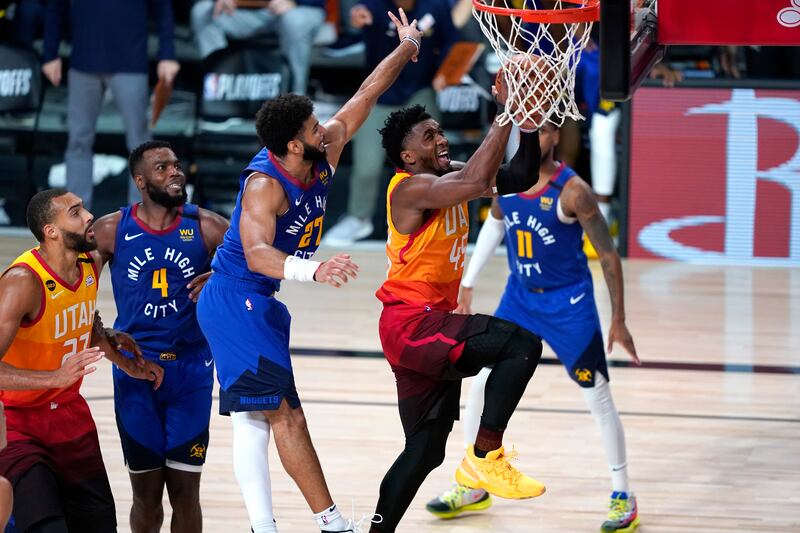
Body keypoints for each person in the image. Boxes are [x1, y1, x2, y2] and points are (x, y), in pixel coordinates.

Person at [196, 9, 424, 533]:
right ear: (294, 144)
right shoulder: (265, 185)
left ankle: (263, 526)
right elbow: (256, 254)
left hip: (255, 299)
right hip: (237, 297)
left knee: (256, 419)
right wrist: (313, 270)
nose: (326, 127)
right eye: (313, 126)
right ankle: (333, 523)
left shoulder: (324, 150)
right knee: (286, 415)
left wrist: (406, 47)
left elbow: (366, 93)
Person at [425, 121, 642, 533]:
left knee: (596, 393)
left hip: (567, 303)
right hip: (520, 298)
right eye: (526, 130)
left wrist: (619, 318)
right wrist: (468, 282)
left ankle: (622, 493)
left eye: (541, 131)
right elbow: (496, 223)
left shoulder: (573, 190)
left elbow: (609, 256)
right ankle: (476, 481)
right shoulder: (508, 182)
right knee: (481, 382)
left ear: (556, 137)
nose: (533, 138)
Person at [370, 95, 550, 532]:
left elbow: (522, 176)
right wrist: (506, 113)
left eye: (439, 130)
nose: (441, 138)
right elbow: (475, 181)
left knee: (426, 449)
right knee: (520, 345)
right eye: (428, 136)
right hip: (414, 323)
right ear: (408, 156)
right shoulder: (410, 189)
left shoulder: (448, 174)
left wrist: (526, 126)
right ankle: (486, 454)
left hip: (421, 327)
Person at [0, 188, 164, 533]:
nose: (89, 216)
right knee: (47, 527)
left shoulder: (89, 263)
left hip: (70, 416)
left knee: (99, 525)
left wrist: (121, 357)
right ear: (51, 231)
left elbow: (83, 318)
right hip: (18, 424)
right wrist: (53, 378)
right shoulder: (22, 282)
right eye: (75, 212)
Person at [91, 140, 229, 533]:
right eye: (162, 167)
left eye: (177, 165)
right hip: (136, 372)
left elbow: (260, 265)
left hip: (191, 372)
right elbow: (74, 297)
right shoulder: (111, 228)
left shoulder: (206, 225)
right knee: (146, 499)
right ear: (140, 180)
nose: (175, 172)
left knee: (187, 495)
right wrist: (112, 346)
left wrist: (222, 276)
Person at [322, 0, 459, 246]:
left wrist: (446, 74)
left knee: (433, 158)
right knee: (367, 167)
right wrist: (356, 17)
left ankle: (438, 215)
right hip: (380, 96)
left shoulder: (436, 5)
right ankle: (358, 218)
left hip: (420, 90)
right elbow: (357, 15)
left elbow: (454, 43)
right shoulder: (373, 5)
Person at [42, 0, 180, 208]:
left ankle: (143, 212)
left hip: (129, 62)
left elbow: (162, 9)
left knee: (141, 145)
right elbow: (55, 7)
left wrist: (167, 54)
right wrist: (50, 53)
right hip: (84, 62)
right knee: (78, 140)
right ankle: (76, 214)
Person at [191, 0, 327, 95]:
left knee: (294, 20)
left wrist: (296, 2)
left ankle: (297, 101)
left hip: (297, 9)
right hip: (243, 12)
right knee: (202, 11)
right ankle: (216, 92)